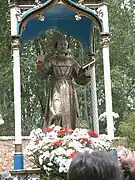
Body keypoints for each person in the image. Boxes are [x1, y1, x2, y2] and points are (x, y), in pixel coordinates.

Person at [37, 33, 94, 129]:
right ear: (56, 46)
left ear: (68, 46)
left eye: (65, 44)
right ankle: (54, 133)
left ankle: (68, 133)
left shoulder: (72, 61)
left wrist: (86, 75)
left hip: (69, 89)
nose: (63, 46)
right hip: (56, 88)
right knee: (57, 112)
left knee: (68, 113)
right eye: (60, 44)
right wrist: (40, 63)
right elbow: (41, 75)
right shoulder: (51, 60)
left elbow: (79, 79)